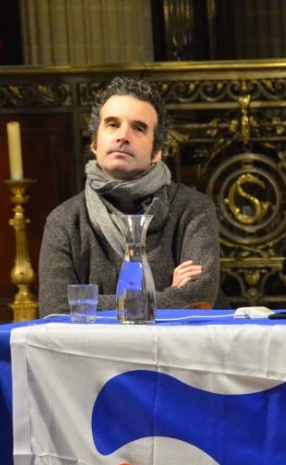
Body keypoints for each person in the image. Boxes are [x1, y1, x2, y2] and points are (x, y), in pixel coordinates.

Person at [38, 76, 220, 315]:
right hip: (94, 351)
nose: (123, 136)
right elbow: (57, 309)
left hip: (173, 350)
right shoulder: (64, 221)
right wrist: (164, 296)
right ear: (94, 143)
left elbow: (198, 298)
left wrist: (89, 303)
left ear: (157, 151)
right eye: (112, 124)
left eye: (138, 128)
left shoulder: (194, 209)